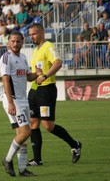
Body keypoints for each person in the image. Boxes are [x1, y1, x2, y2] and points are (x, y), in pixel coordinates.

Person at [27, 23, 82, 166]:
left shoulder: (48, 46)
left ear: (41, 33)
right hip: (34, 90)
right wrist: (30, 75)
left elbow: (58, 63)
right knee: (33, 123)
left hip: (46, 90)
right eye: (30, 34)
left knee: (48, 126)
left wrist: (44, 76)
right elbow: (35, 73)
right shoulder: (35, 50)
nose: (31, 37)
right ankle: (37, 159)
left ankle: (75, 144)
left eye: (33, 34)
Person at [0, 31, 42, 177]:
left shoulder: (23, 57)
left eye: (18, 41)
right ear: (8, 42)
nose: (15, 44)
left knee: (22, 135)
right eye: (13, 41)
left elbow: (28, 77)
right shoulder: (6, 58)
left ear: (22, 42)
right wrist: (11, 102)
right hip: (13, 101)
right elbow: (5, 80)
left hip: (23, 101)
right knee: (25, 132)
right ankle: (7, 159)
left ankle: (22, 169)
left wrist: (37, 73)